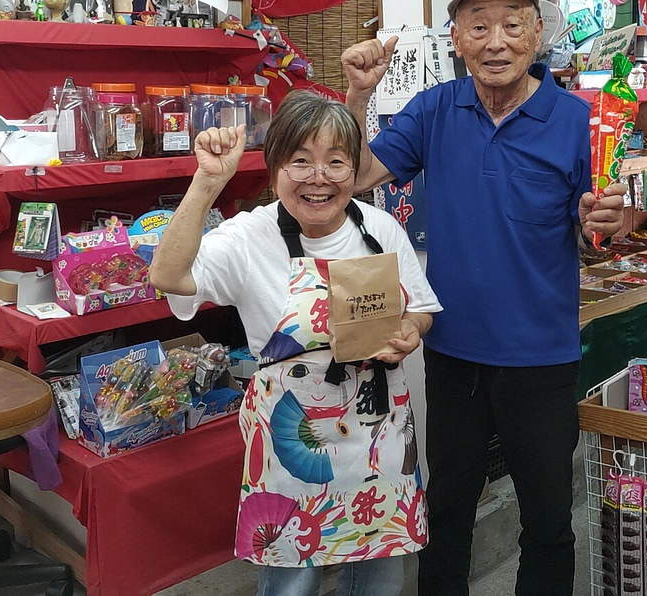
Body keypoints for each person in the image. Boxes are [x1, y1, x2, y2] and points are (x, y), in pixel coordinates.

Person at [341, 0, 628, 596]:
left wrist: (608, 223)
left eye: (511, 24)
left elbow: (596, 241)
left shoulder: (577, 120)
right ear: (456, 38)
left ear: (536, 35)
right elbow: (356, 177)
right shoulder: (435, 109)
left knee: (548, 520)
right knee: (445, 513)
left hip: (541, 357)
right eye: (478, 26)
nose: (494, 41)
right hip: (452, 353)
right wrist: (359, 96)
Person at [150, 92, 441, 596]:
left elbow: (420, 308)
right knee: (292, 581)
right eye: (300, 161)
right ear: (275, 165)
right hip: (292, 445)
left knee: (378, 579)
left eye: (336, 162)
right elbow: (168, 276)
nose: (318, 177)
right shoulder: (247, 237)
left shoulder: (380, 228)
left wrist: (411, 331)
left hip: (380, 437)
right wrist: (207, 182)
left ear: (355, 169)